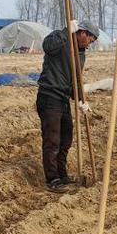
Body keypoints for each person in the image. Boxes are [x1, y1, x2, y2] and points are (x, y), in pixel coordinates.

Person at [37, 19, 98, 191]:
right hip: (49, 96)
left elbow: (76, 79)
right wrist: (66, 31)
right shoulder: (60, 39)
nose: (89, 45)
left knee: (66, 138)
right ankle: (52, 178)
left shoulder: (81, 53)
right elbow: (47, 46)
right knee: (52, 139)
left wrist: (80, 99)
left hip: (63, 98)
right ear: (83, 33)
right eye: (90, 40)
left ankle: (62, 174)